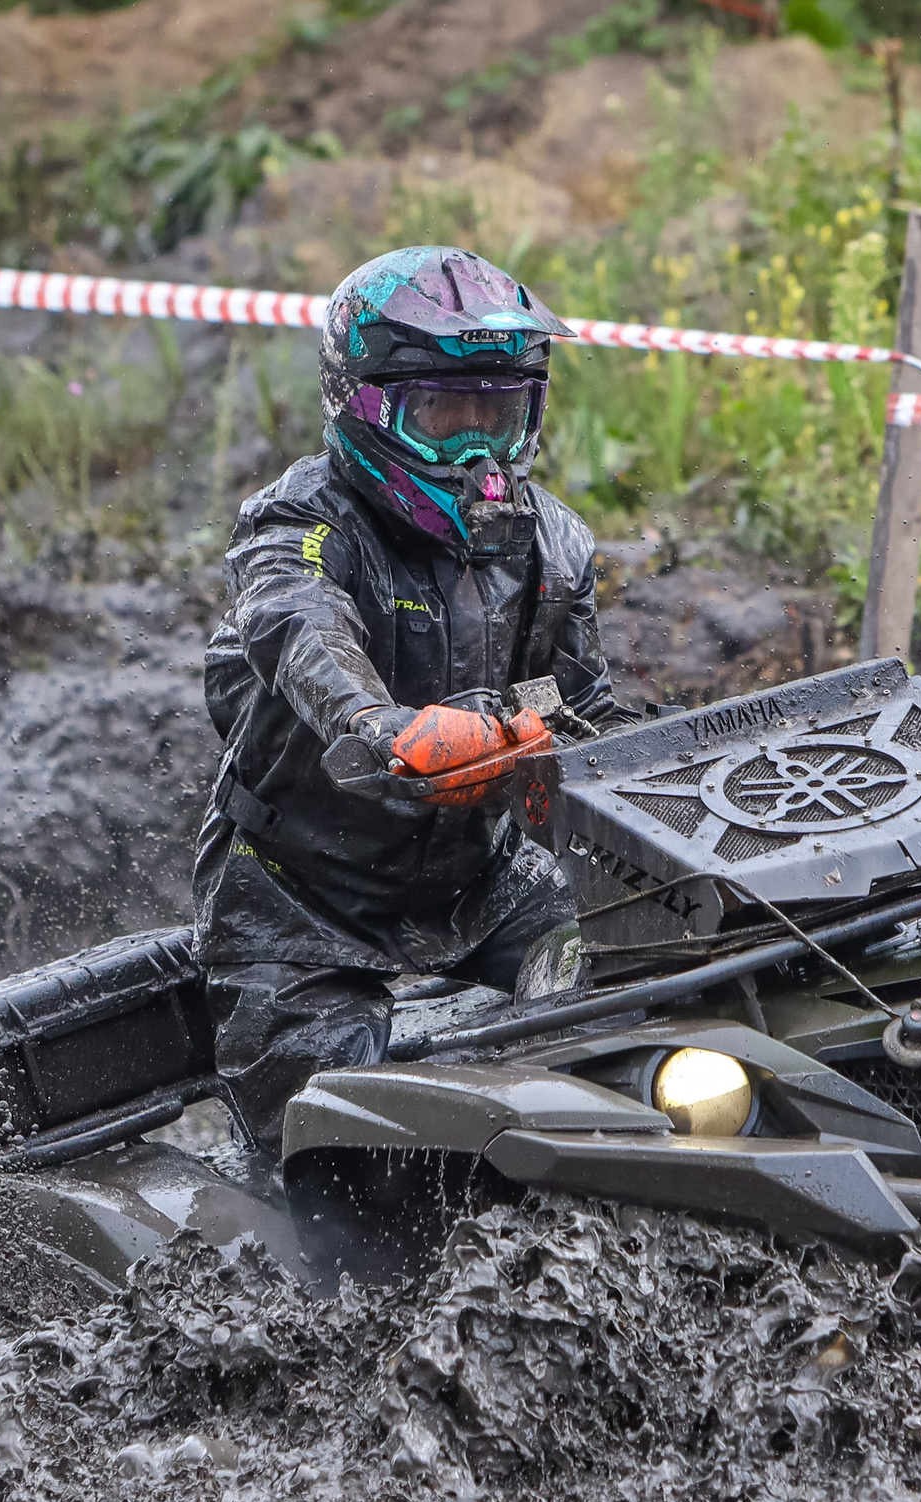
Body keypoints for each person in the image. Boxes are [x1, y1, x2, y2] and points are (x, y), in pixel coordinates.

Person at [195, 246, 631, 1162]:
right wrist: (374, 724)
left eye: (498, 413)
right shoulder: (300, 523)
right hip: (303, 907)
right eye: (445, 415)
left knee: (645, 1005)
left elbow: (600, 718)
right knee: (354, 1160)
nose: (478, 449)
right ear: (365, 406)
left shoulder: (555, 546)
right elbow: (296, 622)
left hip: (490, 883)